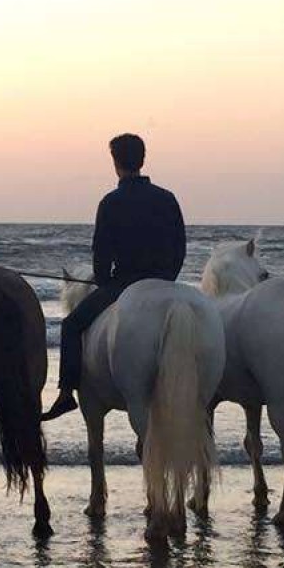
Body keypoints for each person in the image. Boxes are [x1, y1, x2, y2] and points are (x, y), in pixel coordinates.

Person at [42, 133, 187, 420]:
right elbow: (180, 247)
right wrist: (167, 279)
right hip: (163, 282)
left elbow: (102, 253)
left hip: (123, 284)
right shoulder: (167, 198)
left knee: (71, 325)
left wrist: (103, 282)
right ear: (142, 159)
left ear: (115, 162)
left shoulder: (111, 202)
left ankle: (66, 392)